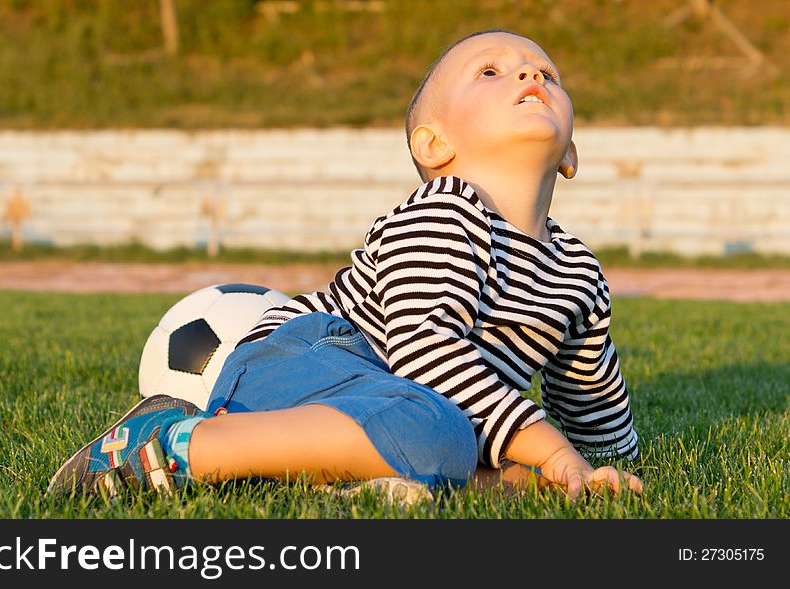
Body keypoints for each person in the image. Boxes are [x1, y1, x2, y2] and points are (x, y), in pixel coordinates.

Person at [49, 29, 643, 502]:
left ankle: (362, 479)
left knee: (481, 457)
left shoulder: (577, 268)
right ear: (433, 146)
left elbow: (590, 393)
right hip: (311, 355)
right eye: (491, 71)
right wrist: (551, 450)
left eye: (548, 74)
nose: (529, 74)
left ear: (569, 151)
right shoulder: (445, 213)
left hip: (407, 402)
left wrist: (596, 468)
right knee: (442, 432)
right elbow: (426, 354)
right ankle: (176, 444)